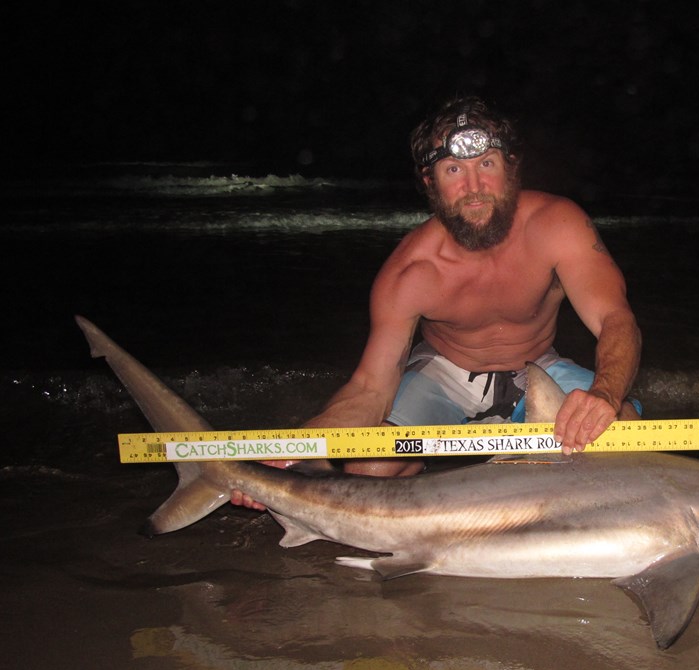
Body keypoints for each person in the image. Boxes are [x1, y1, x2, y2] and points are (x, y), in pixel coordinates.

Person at [231, 96, 641, 509]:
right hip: (445, 372)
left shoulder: (558, 224)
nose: (474, 187)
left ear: (511, 168)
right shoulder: (410, 272)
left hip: (536, 365)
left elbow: (615, 319)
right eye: (453, 170)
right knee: (368, 470)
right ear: (430, 182)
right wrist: (297, 448)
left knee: (622, 428)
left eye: (486, 164)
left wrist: (605, 393)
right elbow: (370, 389)